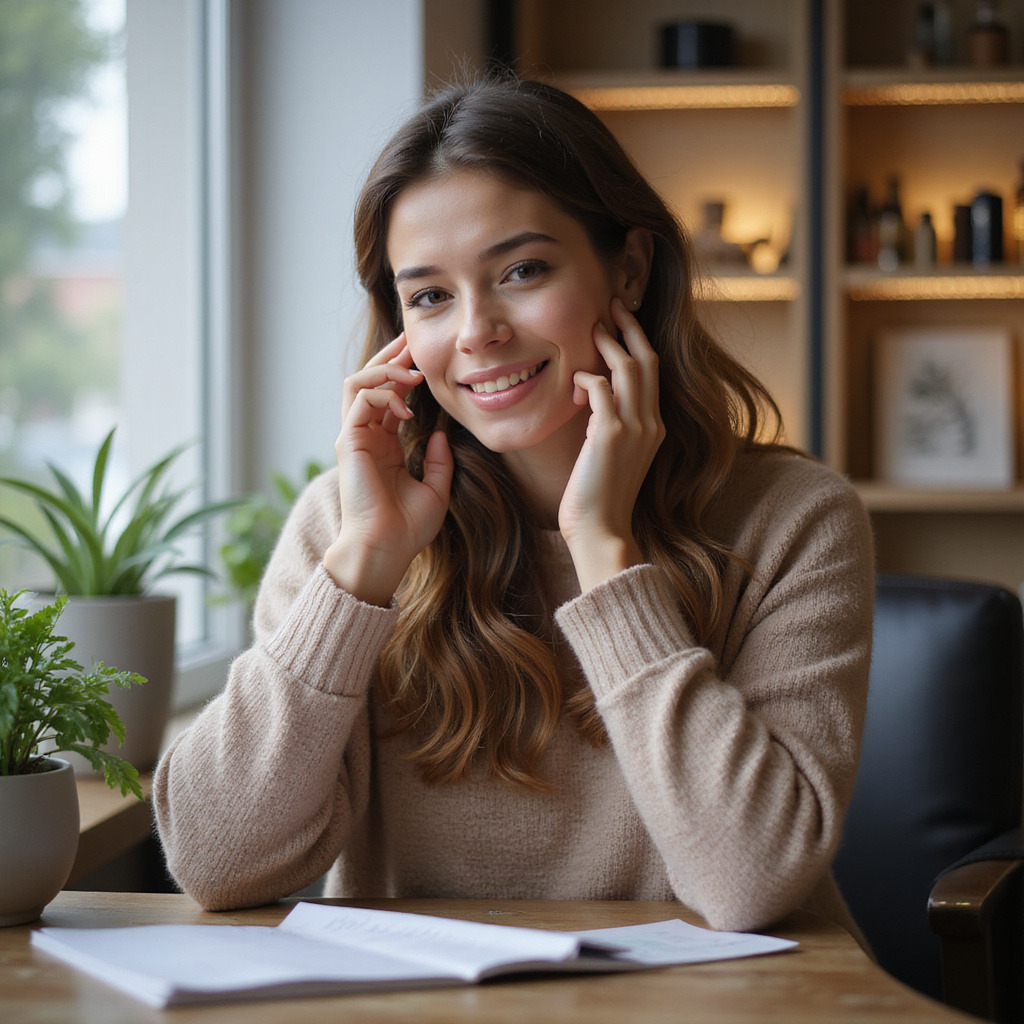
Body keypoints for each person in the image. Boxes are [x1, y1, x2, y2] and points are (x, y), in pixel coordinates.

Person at [154, 74, 874, 937]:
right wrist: (365, 565)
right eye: (430, 296)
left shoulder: (794, 519)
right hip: (420, 999)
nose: (476, 332)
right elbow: (216, 862)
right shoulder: (351, 525)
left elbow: (751, 881)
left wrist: (602, 547)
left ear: (629, 270)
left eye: (522, 270)